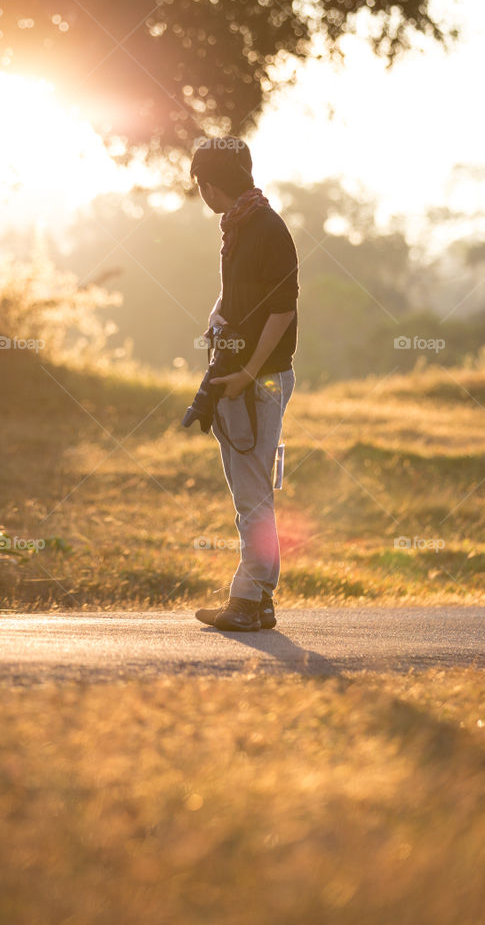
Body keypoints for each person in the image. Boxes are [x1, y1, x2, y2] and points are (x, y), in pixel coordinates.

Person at [190, 137, 299, 632]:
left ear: (210, 185)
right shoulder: (239, 226)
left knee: (253, 494)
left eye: (201, 185)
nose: (202, 195)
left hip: (260, 380)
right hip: (237, 374)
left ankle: (248, 596)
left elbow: (283, 309)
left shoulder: (266, 228)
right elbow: (240, 297)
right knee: (250, 491)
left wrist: (249, 373)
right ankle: (259, 602)